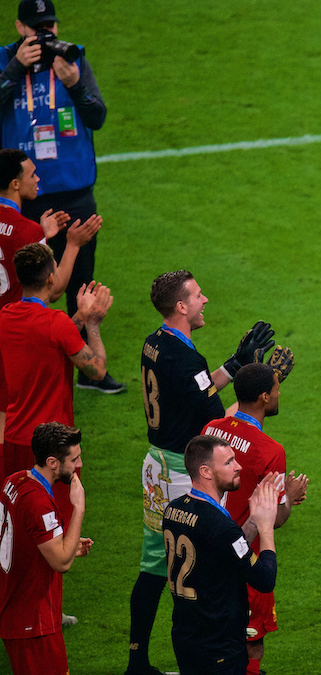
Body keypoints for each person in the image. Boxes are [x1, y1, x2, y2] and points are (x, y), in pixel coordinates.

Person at [127, 269, 274, 675]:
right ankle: (210, 651)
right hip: (183, 469)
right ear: (181, 306)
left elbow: (196, 388)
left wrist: (234, 364)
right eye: (197, 295)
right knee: (204, 561)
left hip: (155, 462)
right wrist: (253, 401)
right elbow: (215, 428)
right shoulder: (187, 356)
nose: (205, 300)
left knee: (154, 565)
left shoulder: (155, 343)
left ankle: (137, 659)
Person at [0, 1, 115, 393]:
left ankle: (85, 368)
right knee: (25, 285)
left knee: (80, 280)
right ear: (19, 27)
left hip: (76, 191)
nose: (45, 34)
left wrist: (75, 84)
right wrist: (15, 69)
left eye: (49, 25)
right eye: (36, 28)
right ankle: (25, 369)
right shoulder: (4, 62)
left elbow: (97, 116)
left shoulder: (71, 59)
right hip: (27, 197)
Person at [202, 361, 306, 675]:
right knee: (251, 641)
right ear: (263, 397)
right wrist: (291, 494)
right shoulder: (270, 450)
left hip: (205, 545)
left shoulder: (212, 429)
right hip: (244, 554)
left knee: (213, 632)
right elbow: (273, 518)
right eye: (276, 390)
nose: (278, 395)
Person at [0, 242, 110, 523]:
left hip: (14, 439)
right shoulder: (55, 322)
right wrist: (93, 324)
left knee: (16, 523)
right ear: (51, 278)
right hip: (54, 448)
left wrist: (79, 318)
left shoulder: (6, 316)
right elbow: (96, 370)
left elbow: (50, 340)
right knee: (54, 532)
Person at [0, 147, 98, 437]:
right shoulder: (26, 230)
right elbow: (53, 290)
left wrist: (43, 235)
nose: (37, 179)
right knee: (21, 414)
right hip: (21, 331)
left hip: (6, 325)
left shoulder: (30, 230)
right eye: (31, 174)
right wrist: (72, 245)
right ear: (15, 184)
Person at [163, 434, 278, 675]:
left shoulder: (173, 510)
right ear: (205, 471)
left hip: (186, 638)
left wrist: (254, 519)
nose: (238, 466)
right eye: (228, 462)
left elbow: (222, 549)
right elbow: (265, 580)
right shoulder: (219, 526)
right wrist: (266, 527)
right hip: (219, 648)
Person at [0, 421, 93, 675]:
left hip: (15, 608)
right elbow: (61, 563)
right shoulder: (39, 502)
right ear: (53, 462)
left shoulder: (14, 480)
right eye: (74, 459)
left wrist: (67, 546)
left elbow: (22, 538)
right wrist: (78, 509)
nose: (79, 465)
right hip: (33, 622)